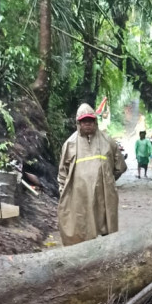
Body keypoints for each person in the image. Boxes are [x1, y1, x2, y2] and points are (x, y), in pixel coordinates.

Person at [57, 103, 127, 246]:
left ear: (95, 122)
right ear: (78, 123)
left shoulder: (108, 141)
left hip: (104, 194)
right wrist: (63, 190)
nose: (87, 123)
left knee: (106, 225)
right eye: (84, 121)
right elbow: (62, 172)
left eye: (90, 120)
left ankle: (107, 254)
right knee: (81, 226)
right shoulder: (70, 144)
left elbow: (120, 166)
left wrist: (107, 179)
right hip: (79, 195)